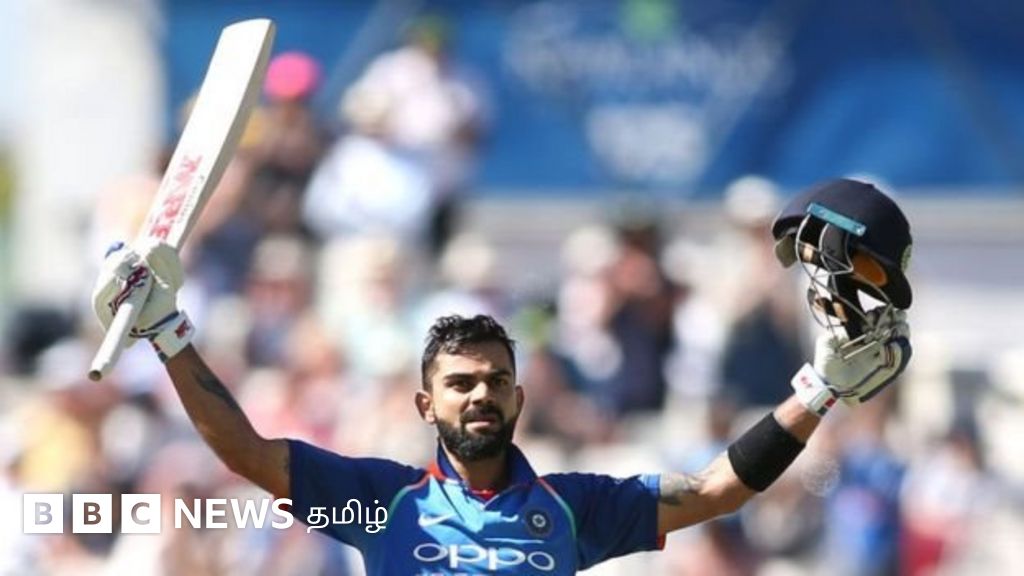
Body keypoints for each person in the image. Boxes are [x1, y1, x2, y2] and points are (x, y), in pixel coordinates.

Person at [90, 179, 912, 574]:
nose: (480, 394)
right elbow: (247, 453)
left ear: (520, 396)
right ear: (426, 403)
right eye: (460, 383)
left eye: (495, 380)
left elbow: (714, 491)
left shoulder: (577, 509)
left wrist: (818, 393)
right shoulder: (377, 503)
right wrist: (168, 333)